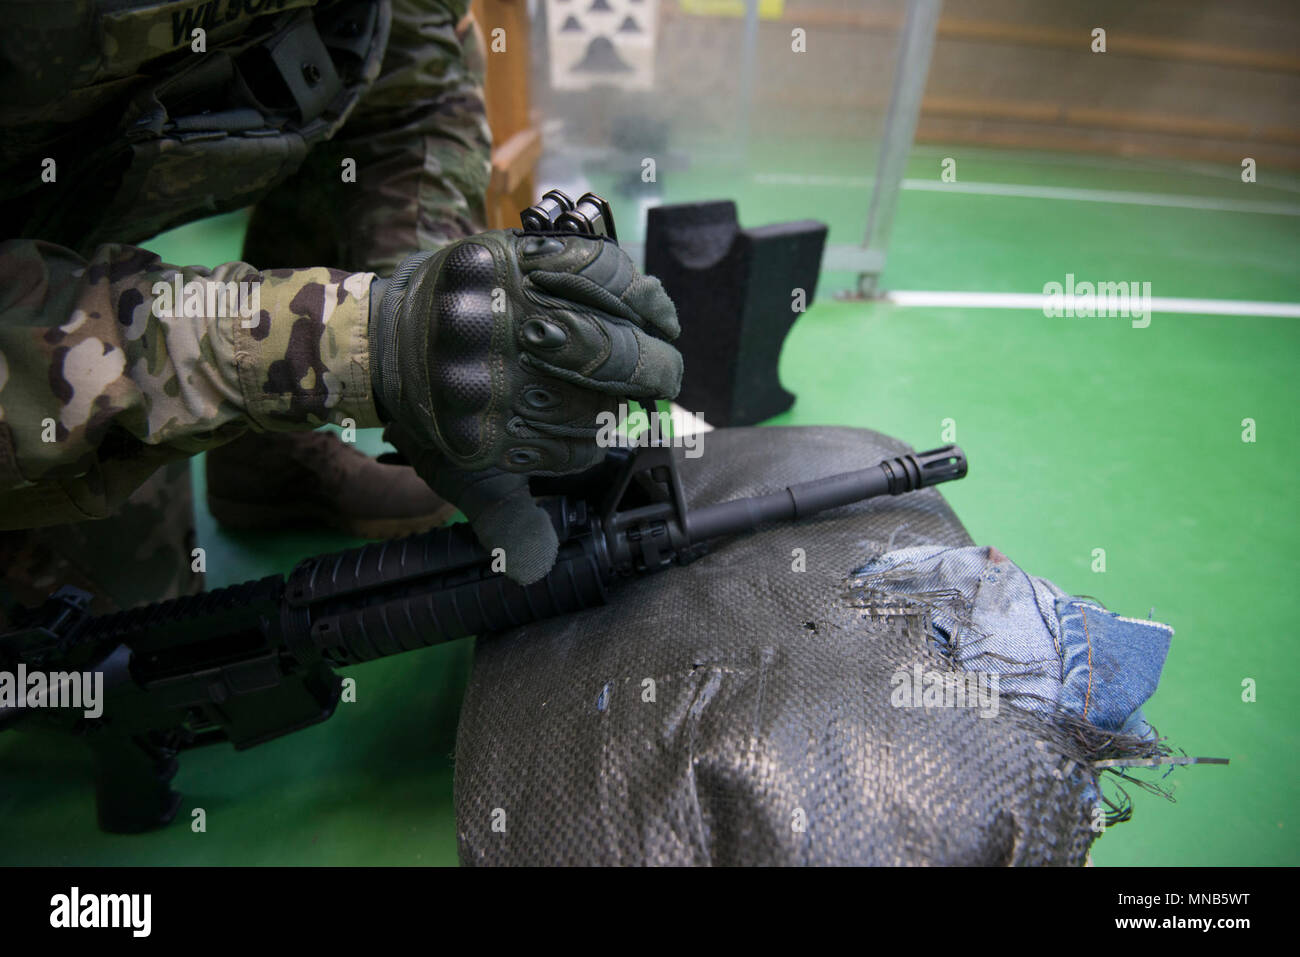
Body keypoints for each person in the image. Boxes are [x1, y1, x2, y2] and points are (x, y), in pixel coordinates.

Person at [0, 0, 682, 620]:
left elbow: (413, 101)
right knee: (109, 652)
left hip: (93, 217)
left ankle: (266, 464)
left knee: (336, 60)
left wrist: (434, 321)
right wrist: (351, 345)